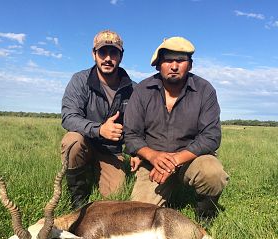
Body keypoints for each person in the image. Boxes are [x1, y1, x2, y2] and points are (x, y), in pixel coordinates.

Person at [124, 36, 229, 220]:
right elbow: (131, 134)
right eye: (168, 60)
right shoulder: (142, 90)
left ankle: (205, 217)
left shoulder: (205, 90)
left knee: (213, 173)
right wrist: (152, 156)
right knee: (139, 215)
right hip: (154, 162)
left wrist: (175, 160)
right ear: (158, 65)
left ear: (190, 64)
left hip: (190, 158)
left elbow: (211, 136)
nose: (174, 66)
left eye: (180, 60)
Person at [61, 30, 135, 208]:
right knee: (72, 141)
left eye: (113, 52)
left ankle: (98, 172)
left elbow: (138, 127)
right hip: (85, 144)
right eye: (103, 52)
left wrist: (136, 152)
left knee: (115, 197)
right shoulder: (80, 80)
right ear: (94, 54)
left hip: (111, 152)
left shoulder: (133, 89)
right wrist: (99, 129)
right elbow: (68, 117)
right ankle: (77, 199)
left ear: (121, 56)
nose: (108, 58)